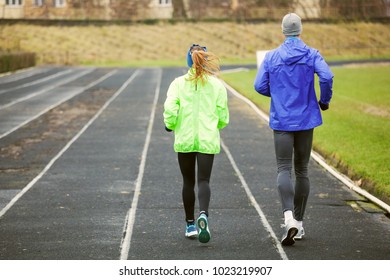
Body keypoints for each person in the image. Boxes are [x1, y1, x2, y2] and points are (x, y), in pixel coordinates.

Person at [254, 13, 334, 246]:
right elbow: (327, 76)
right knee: (302, 170)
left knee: (283, 168)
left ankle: (287, 217)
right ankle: (298, 224)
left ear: (283, 31)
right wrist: (324, 100)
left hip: (282, 120)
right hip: (306, 118)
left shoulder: (271, 56)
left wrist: (278, 95)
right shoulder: (311, 54)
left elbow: (259, 85)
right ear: (300, 30)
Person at [163, 44, 229, 243]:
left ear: (188, 61)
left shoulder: (177, 83)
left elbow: (170, 107)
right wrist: (213, 125)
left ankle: (190, 224)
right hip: (207, 140)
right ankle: (204, 215)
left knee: (188, 182)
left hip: (185, 139)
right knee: (203, 181)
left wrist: (170, 124)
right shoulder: (216, 85)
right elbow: (223, 116)